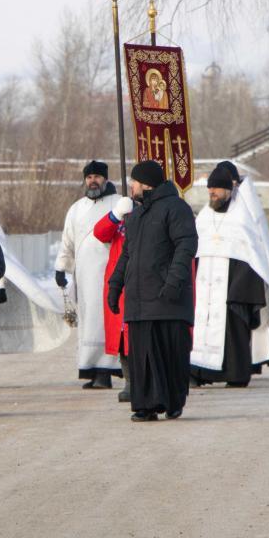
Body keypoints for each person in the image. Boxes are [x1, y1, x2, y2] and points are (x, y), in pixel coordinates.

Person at [190, 164, 269, 387]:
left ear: (229, 189)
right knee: (204, 326)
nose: (212, 194)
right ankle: (201, 371)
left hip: (237, 281)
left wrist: (239, 284)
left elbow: (252, 252)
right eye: (209, 190)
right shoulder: (206, 214)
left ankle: (236, 374)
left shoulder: (242, 215)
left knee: (235, 329)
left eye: (216, 190)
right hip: (207, 281)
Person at [108, 160, 197, 421]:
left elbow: (185, 247)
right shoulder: (134, 217)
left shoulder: (176, 208)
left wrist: (173, 282)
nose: (131, 186)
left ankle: (171, 402)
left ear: (146, 184)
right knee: (142, 359)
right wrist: (115, 286)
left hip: (167, 299)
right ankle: (145, 406)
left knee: (169, 355)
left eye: (134, 181)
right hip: (139, 301)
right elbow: (127, 255)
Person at [54, 160, 122, 389]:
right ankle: (91, 369)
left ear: (105, 179)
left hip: (109, 273)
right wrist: (61, 266)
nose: (93, 181)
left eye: (97, 177)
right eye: (89, 177)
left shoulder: (119, 204)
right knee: (88, 322)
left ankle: (105, 370)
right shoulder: (76, 208)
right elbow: (68, 241)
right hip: (83, 276)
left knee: (105, 321)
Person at [93, 195, 134, 402]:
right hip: (119, 283)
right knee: (122, 338)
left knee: (136, 336)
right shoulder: (123, 216)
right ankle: (129, 382)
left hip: (140, 281)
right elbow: (100, 233)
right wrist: (116, 214)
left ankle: (142, 381)